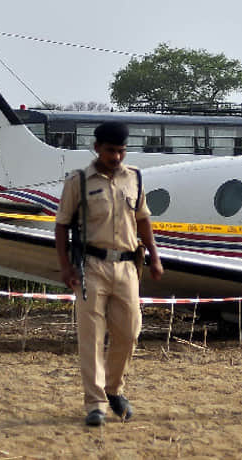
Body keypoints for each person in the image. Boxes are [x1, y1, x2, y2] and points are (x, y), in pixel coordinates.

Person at [55, 122, 165, 427]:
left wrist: (155, 258)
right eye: (110, 150)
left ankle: (114, 389)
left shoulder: (135, 178)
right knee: (91, 337)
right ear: (97, 148)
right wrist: (65, 266)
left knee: (129, 332)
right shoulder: (78, 181)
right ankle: (95, 404)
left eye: (121, 151)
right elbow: (61, 225)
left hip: (127, 266)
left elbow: (143, 220)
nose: (116, 157)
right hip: (91, 266)